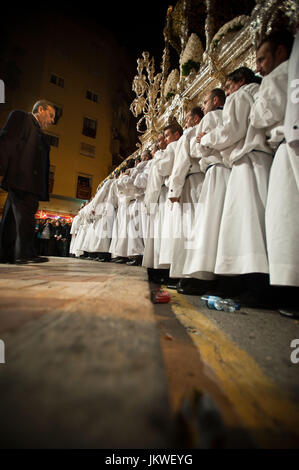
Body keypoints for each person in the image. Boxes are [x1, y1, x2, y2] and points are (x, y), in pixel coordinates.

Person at [250, 30, 297, 291]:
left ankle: (289, 286)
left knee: (285, 215)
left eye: (261, 59)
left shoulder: (281, 74)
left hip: (287, 146)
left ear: (281, 52)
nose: (259, 67)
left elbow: (260, 117)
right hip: (283, 147)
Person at [0, 100, 55, 264]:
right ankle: (24, 253)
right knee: (26, 216)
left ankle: (5, 253)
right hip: (22, 178)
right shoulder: (21, 118)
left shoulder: (39, 132)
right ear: (40, 109)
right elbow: (6, 141)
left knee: (10, 218)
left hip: (26, 181)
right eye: (50, 115)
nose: (52, 120)